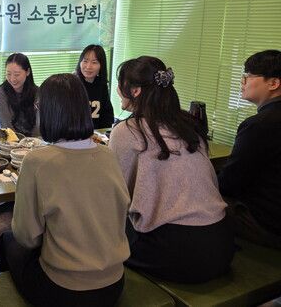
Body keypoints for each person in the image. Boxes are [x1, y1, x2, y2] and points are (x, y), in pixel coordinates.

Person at [0, 73, 130, 307]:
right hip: (114, 284)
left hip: (66, 290)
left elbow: (27, 237)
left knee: (7, 241)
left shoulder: (37, 162)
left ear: (47, 111)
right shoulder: (108, 155)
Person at [109, 56, 234, 283]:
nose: (118, 90)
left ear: (135, 91)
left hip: (174, 252)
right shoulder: (189, 126)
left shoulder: (127, 131)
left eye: (121, 85)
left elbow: (116, 195)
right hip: (221, 244)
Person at [217, 50, 281, 249]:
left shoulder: (260, 124)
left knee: (197, 199)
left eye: (248, 76)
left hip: (267, 224)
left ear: (273, 83)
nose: (242, 82)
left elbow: (230, 183)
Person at [0, 53, 40, 137]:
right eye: (8, 74)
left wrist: (32, 142)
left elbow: (38, 126)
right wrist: (20, 143)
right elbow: (6, 127)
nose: (12, 79)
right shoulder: (0, 92)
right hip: (8, 140)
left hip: (33, 141)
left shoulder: (37, 92)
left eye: (17, 74)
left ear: (28, 72)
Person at [74, 44, 114, 130]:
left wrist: (101, 133)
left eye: (94, 62)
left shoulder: (102, 85)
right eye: (85, 61)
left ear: (101, 65)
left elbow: (107, 116)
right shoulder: (72, 84)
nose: (88, 67)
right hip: (75, 134)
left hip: (96, 134)